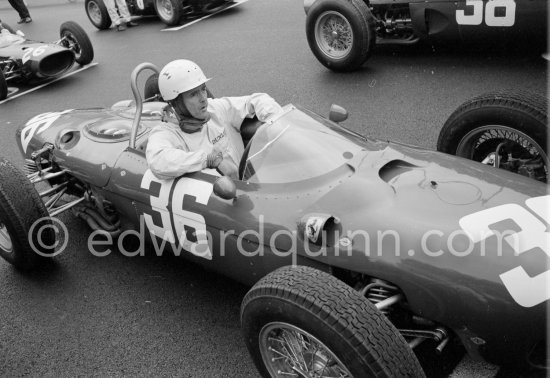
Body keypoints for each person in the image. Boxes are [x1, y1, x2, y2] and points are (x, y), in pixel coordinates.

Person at [146, 59, 283, 181]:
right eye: (193, 94)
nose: (203, 98)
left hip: (249, 184)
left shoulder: (215, 108)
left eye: (203, 89)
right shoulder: (166, 133)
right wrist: (209, 159)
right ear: (176, 102)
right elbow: (158, 161)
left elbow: (257, 99)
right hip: (218, 201)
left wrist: (275, 122)